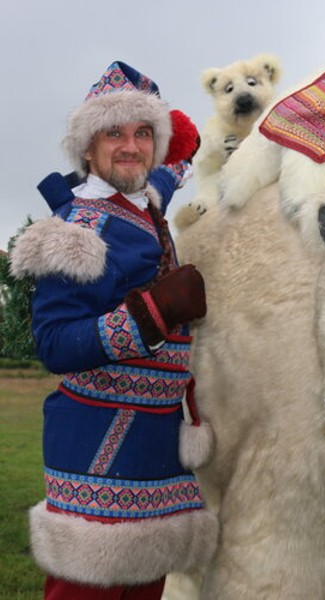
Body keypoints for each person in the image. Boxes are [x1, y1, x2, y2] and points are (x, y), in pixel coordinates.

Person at [10, 61, 217, 599]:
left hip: (156, 455)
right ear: (87, 149)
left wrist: (189, 151)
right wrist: (153, 311)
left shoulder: (144, 203)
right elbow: (54, 344)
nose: (131, 146)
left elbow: (162, 181)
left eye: (144, 133)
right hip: (101, 453)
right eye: (114, 133)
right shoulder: (79, 227)